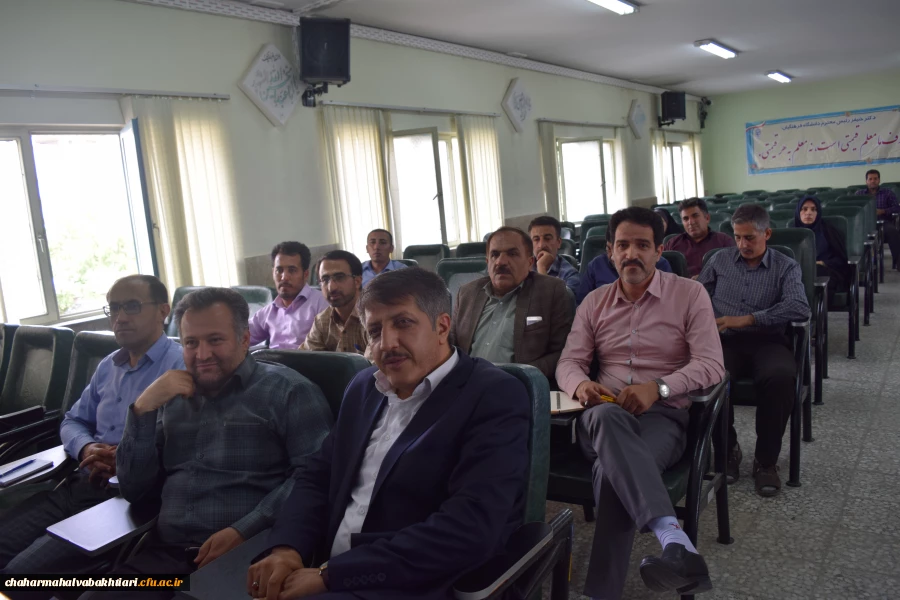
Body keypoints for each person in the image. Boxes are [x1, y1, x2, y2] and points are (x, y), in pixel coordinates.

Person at [247, 268, 531, 600]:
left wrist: (335, 575)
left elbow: (470, 527)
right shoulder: (363, 388)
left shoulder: (492, 395)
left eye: (403, 323)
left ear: (442, 327)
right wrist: (287, 547)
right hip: (320, 566)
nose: (387, 343)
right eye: (375, 330)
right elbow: (319, 475)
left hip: (412, 584)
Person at [84, 288, 333, 599]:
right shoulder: (172, 396)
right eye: (191, 343)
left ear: (244, 339)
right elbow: (134, 489)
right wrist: (142, 410)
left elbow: (314, 479)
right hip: (166, 555)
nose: (202, 355)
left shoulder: (288, 391)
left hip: (250, 555)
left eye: (215, 340)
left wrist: (244, 529)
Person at [556, 207, 725, 599]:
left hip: (663, 418)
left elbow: (712, 364)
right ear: (610, 252)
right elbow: (569, 362)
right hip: (600, 415)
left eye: (642, 245)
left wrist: (658, 388)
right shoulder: (594, 302)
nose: (631, 254)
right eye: (623, 246)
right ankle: (673, 538)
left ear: (659, 251)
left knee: (610, 472)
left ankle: (605, 592)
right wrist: (581, 385)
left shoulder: (689, 295)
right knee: (606, 418)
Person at [0, 275, 184, 577]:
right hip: (79, 485)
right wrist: (87, 447)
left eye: (132, 306)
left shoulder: (180, 366)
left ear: (163, 311)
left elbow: (180, 446)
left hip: (126, 499)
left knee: (18, 577)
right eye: (114, 308)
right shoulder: (109, 365)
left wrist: (122, 459)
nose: (120, 317)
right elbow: (73, 420)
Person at [697, 204, 810, 497]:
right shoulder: (720, 260)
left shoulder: (786, 266)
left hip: (768, 341)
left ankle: (765, 461)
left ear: (767, 234)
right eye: (737, 237)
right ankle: (728, 450)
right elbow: (697, 294)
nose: (742, 244)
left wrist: (749, 319)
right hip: (725, 341)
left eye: (749, 237)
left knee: (781, 378)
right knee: (708, 375)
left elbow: (799, 306)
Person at [451, 227, 574, 379]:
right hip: (466, 384)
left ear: (530, 262)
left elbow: (562, 353)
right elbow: (451, 348)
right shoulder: (467, 294)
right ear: (487, 262)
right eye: (495, 255)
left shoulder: (550, 291)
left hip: (517, 386)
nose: (501, 262)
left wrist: (520, 377)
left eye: (512, 254)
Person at [250, 242, 329, 349]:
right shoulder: (269, 312)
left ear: (305, 274)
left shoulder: (321, 303)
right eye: (279, 270)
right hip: (272, 359)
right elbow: (240, 336)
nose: (284, 277)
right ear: (273, 272)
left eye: (292, 270)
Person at [576, 226, 673, 304]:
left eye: (622, 247)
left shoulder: (659, 264)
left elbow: (670, 302)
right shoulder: (596, 265)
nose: (612, 256)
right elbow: (582, 304)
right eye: (609, 249)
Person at [300, 250, 368, 355]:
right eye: (325, 279)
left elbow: (377, 364)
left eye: (339, 277)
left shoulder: (374, 317)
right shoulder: (322, 321)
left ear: (357, 281)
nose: (331, 287)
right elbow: (308, 359)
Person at [794, 195, 850, 301]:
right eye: (804, 209)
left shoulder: (829, 231)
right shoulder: (791, 233)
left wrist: (823, 263)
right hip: (797, 272)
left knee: (818, 273)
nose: (808, 213)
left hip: (825, 271)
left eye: (813, 209)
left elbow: (841, 259)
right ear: (798, 212)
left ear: (818, 212)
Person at [664, 198, 736, 278]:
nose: (691, 222)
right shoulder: (672, 243)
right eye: (686, 219)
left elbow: (734, 271)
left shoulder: (724, 241)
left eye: (695, 216)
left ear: (707, 218)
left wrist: (706, 278)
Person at [855, 168, 900, 269]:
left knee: (893, 231)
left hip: (883, 223)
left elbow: (897, 208)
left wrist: (883, 211)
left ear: (879, 180)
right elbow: (854, 210)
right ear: (866, 181)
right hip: (864, 224)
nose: (873, 181)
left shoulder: (887, 193)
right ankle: (860, 266)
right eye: (870, 179)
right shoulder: (859, 194)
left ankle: (898, 262)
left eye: (875, 179)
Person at [528, 215, 582, 294]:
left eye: (547, 238)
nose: (541, 245)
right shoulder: (524, 269)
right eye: (536, 239)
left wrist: (542, 267)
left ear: (558, 242)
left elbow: (554, 300)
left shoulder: (570, 275)